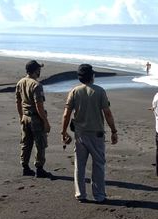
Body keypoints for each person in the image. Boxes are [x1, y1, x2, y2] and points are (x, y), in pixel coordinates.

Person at [61, 64, 118, 203]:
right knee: (98, 164)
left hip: (80, 134)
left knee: (80, 164)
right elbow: (107, 113)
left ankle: (80, 193)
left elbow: (66, 114)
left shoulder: (75, 91)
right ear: (92, 76)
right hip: (96, 134)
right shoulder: (99, 91)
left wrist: (63, 131)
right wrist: (113, 130)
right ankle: (99, 195)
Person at [15, 60, 52, 178]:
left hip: (25, 116)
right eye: (39, 69)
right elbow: (39, 105)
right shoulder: (36, 85)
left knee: (26, 143)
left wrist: (21, 116)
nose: (40, 71)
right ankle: (39, 169)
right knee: (40, 143)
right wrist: (45, 121)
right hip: (35, 118)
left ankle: (25, 167)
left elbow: (18, 102)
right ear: (36, 71)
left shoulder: (20, 82)